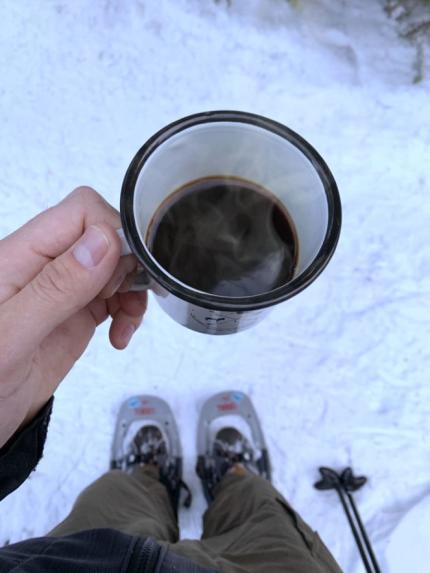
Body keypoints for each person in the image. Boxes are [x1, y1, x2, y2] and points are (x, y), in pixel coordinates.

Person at [0, 187, 342, 572]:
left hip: (80, 558)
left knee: (115, 498)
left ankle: (147, 476)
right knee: (265, 516)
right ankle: (233, 478)